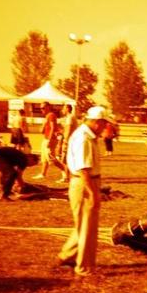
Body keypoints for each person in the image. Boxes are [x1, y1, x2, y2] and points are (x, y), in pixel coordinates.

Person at [57, 106, 109, 277]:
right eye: (103, 123)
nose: (104, 127)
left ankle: (66, 256)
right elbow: (83, 169)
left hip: (83, 183)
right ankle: (85, 268)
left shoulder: (85, 135)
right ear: (96, 122)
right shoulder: (84, 138)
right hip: (85, 184)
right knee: (88, 228)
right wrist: (93, 193)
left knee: (84, 225)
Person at [33, 102, 65, 180]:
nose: (41, 109)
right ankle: (43, 174)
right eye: (40, 108)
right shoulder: (47, 116)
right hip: (46, 138)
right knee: (44, 158)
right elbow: (42, 130)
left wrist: (50, 140)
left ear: (48, 107)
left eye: (43, 108)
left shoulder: (51, 115)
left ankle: (65, 172)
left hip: (50, 139)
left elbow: (53, 128)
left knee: (52, 159)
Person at [57, 104, 78, 182]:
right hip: (72, 140)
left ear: (68, 109)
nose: (62, 110)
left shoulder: (70, 118)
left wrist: (65, 140)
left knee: (65, 159)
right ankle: (67, 176)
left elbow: (68, 130)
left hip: (69, 141)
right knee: (66, 159)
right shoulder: (70, 117)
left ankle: (66, 177)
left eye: (64, 108)